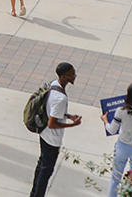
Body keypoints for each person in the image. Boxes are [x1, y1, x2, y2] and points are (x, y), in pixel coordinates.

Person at [29, 63, 82, 197]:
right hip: (52, 139)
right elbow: (52, 123)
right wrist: (73, 125)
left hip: (43, 133)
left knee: (42, 165)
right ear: (64, 76)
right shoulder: (61, 98)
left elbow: (52, 109)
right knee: (46, 171)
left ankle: (34, 193)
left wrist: (68, 116)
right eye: (72, 74)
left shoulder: (53, 86)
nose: (74, 76)